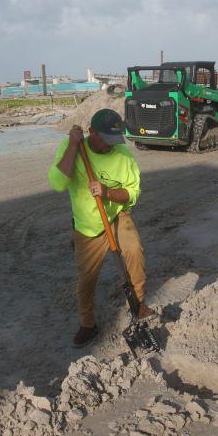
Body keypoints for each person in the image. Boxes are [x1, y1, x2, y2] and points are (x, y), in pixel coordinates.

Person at [48, 108, 153, 347]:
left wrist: (107, 192)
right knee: (86, 279)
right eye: (106, 140)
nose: (110, 146)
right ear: (91, 132)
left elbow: (133, 193)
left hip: (116, 215)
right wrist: (74, 147)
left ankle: (138, 304)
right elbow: (57, 183)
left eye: (115, 140)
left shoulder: (123, 155)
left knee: (135, 251)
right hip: (87, 226)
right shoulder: (72, 149)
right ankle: (88, 324)